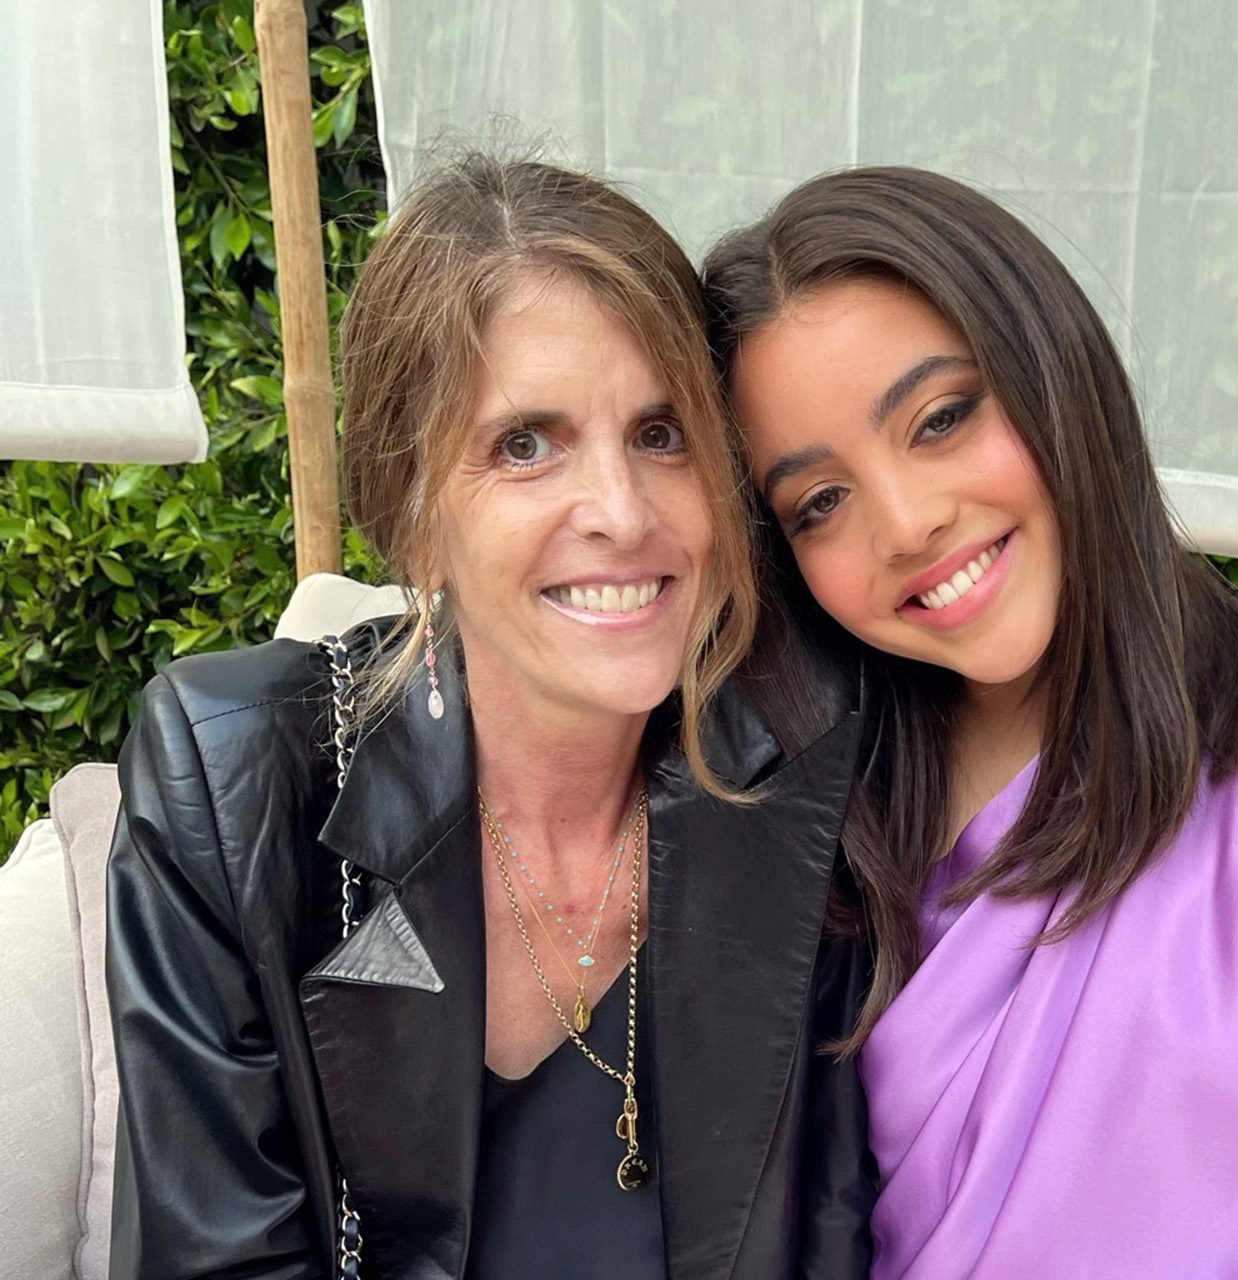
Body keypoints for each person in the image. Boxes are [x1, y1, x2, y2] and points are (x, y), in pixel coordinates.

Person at [704, 166, 1238, 1279]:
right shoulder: (807, 804)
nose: (908, 522)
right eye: (820, 503)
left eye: (942, 418)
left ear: (1054, 368)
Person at [105, 157, 875, 1280]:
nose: (619, 511)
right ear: (413, 512)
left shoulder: (800, 760)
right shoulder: (233, 785)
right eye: (527, 442)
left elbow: (836, 1238)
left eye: (663, 433)